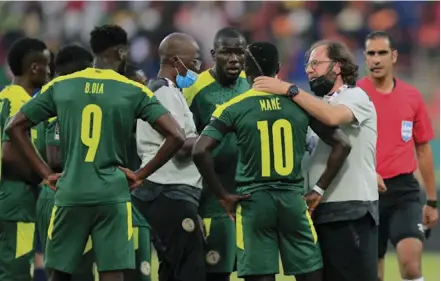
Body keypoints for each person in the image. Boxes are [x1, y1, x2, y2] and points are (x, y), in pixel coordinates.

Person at [5, 24, 185, 281]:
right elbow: (176, 135)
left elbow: (15, 127)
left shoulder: (62, 86)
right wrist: (140, 174)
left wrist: (45, 173)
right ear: (122, 52)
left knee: (59, 273)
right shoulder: (133, 90)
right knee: (112, 274)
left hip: (70, 191)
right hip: (113, 193)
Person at [193, 41, 352, 281]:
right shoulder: (301, 104)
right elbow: (342, 143)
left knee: (260, 275)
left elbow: (199, 150)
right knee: (310, 273)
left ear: (246, 71)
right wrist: (319, 188)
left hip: (253, 202)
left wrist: (223, 194)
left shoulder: (233, 107)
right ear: (278, 67)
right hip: (293, 200)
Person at [253, 40, 378, 281]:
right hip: (318, 208)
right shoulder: (318, 105)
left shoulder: (355, 95)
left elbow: (333, 118)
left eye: (315, 63)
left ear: (338, 67)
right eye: (307, 64)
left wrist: (289, 90)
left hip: (350, 208)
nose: (309, 70)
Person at [357, 31, 438, 281]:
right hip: (366, 193)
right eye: (372, 53)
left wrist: (432, 201)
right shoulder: (355, 95)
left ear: (394, 56)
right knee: (373, 274)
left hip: (404, 191)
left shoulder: (412, 96)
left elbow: (423, 149)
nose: (377, 59)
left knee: (411, 267)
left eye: (382, 53)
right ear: (365, 58)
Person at [132, 32, 206, 281]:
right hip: (168, 188)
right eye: (194, 61)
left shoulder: (170, 91)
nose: (198, 67)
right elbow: (182, 145)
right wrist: (214, 134)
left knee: (171, 267)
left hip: (170, 190)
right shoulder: (163, 91)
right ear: (177, 61)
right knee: (190, 268)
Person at [183, 27, 249, 281]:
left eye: (239, 52)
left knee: (256, 270)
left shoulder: (251, 84)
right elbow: (181, 139)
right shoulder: (195, 88)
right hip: (213, 196)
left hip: (248, 192)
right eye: (226, 53)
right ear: (213, 54)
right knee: (216, 272)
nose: (233, 59)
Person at [35, 44, 95, 281]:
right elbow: (56, 155)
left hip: (56, 190)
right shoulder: (61, 97)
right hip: (62, 191)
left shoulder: (47, 94)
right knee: (73, 273)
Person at [0, 37, 50, 281]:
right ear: (34, 68)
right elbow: (8, 153)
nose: (49, 71)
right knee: (17, 273)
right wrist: (40, 175)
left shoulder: (3, 97)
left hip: (6, 200)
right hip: (16, 203)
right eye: (47, 65)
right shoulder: (23, 103)